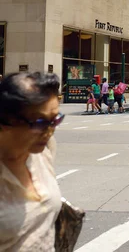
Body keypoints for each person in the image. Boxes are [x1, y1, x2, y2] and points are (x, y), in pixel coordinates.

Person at [0, 72, 64, 251]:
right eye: (41, 122)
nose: (50, 131)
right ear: (7, 121)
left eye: (55, 120)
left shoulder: (45, 149)